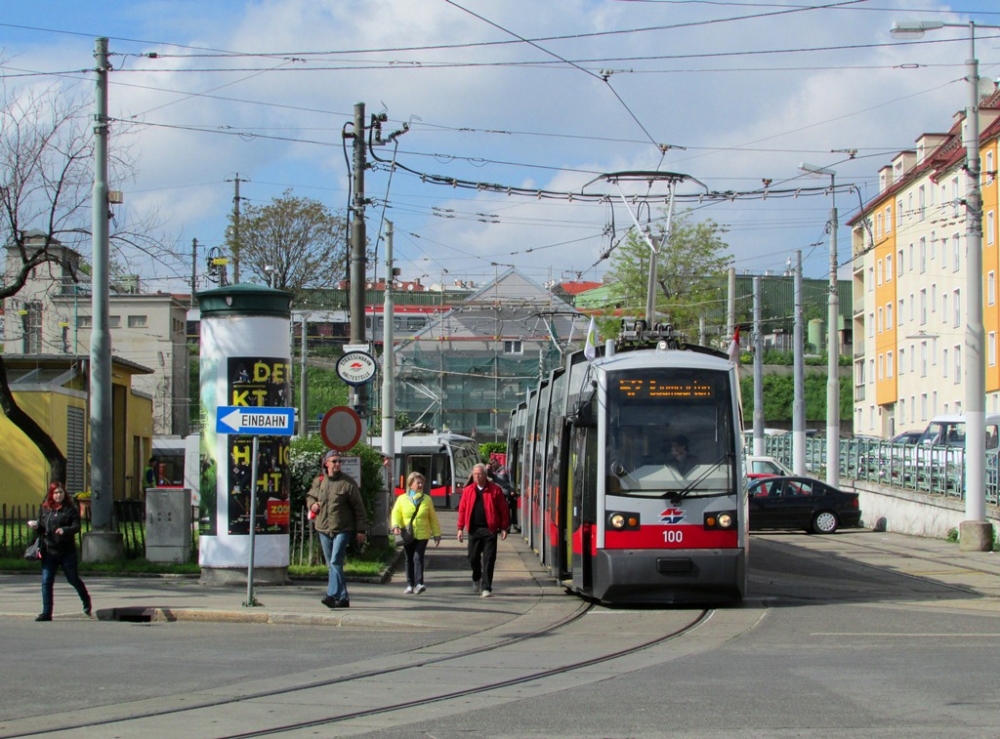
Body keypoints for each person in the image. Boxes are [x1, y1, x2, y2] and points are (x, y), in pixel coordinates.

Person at [306, 450, 368, 609]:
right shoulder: (319, 481)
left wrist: (361, 530)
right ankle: (343, 598)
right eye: (334, 461)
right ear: (326, 463)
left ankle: (331, 595)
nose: (338, 464)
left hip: (343, 528)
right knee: (332, 565)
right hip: (323, 528)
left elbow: (359, 508)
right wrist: (312, 504)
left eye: (340, 461)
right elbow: (310, 496)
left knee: (335, 561)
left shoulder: (348, 483)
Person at [27, 482, 91, 622]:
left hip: (67, 552)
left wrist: (65, 530)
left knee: (72, 578)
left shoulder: (70, 509)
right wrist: (36, 526)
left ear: (64, 494)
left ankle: (86, 601)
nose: (58, 495)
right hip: (49, 551)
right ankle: (46, 612)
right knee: (46, 581)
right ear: (51, 494)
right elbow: (42, 529)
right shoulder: (45, 509)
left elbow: (76, 527)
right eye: (55, 493)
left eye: (60, 492)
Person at [456, 463, 510, 598]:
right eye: (475, 474)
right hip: (474, 530)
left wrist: (504, 527)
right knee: (472, 557)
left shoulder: (495, 490)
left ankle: (486, 588)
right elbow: (462, 510)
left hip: (489, 530)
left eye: (479, 474)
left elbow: (503, 510)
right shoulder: (468, 490)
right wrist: (460, 528)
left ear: (485, 475)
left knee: (489, 559)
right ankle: (476, 576)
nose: (477, 476)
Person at [390, 472, 442, 594]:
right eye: (418, 483)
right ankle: (410, 584)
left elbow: (433, 518)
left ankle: (419, 583)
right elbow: (396, 513)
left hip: (422, 534)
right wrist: (395, 526)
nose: (420, 485)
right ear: (410, 484)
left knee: (418, 557)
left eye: (422, 483)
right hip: (408, 534)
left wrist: (437, 534)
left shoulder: (427, 499)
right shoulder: (402, 499)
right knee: (409, 558)